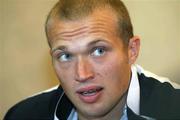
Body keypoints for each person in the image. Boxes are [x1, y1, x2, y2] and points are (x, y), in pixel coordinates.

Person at [4, 0, 180, 120]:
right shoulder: (23, 115)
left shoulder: (174, 108)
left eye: (98, 51)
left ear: (131, 50)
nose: (82, 74)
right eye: (65, 56)